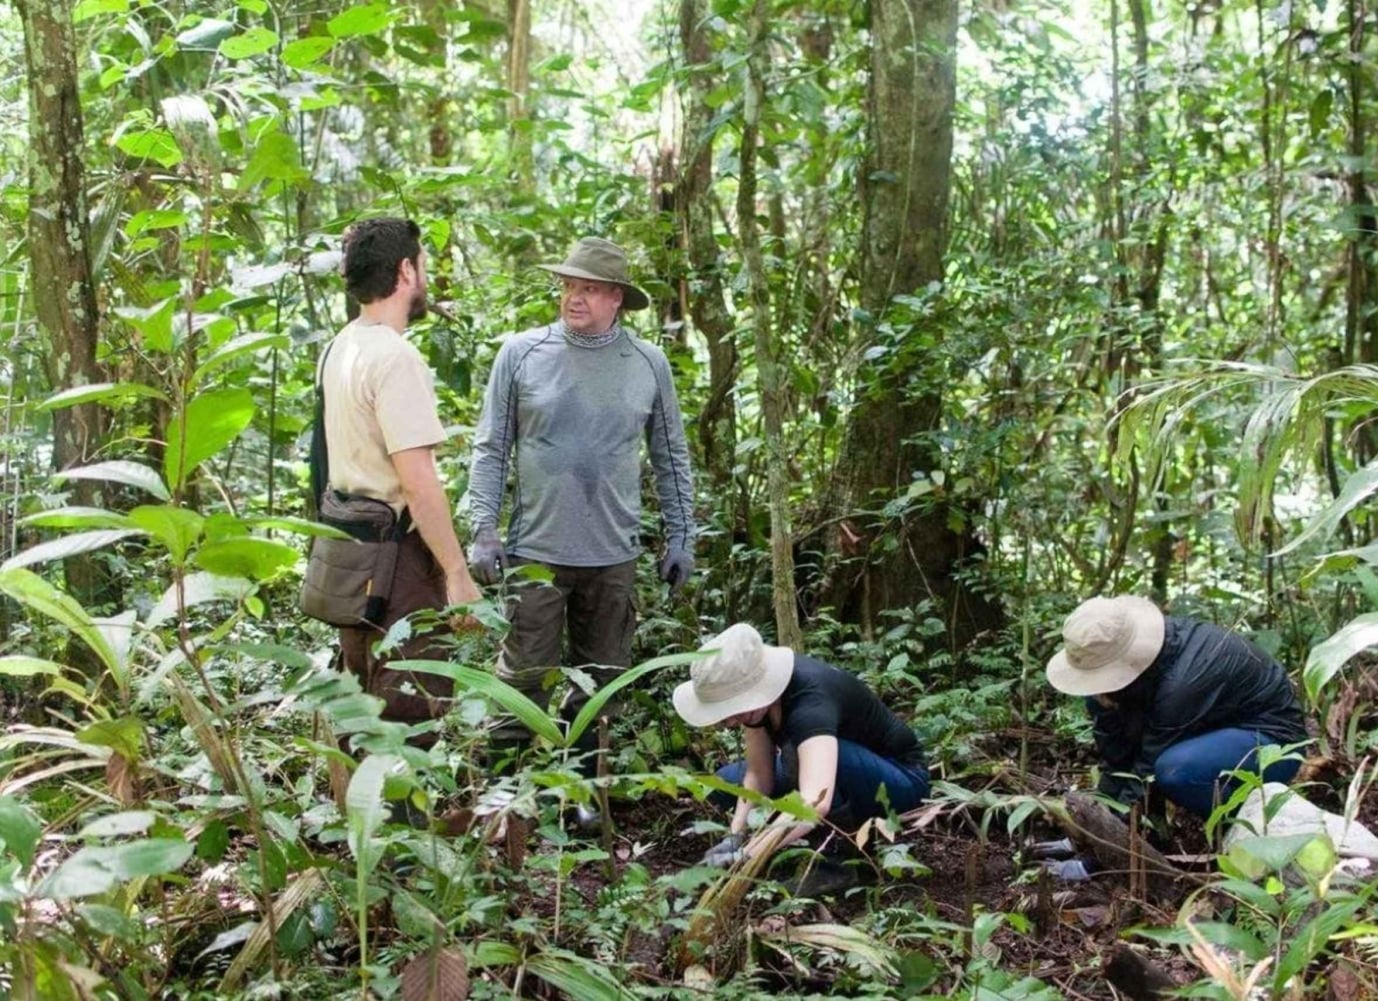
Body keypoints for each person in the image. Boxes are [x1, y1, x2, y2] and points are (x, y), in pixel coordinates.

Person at [467, 237, 695, 728]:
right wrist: (483, 528)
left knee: (603, 684)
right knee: (523, 679)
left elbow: (670, 455)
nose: (575, 297)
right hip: (536, 552)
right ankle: (509, 793)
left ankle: (589, 792)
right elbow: (491, 446)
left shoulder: (647, 362)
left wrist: (682, 536)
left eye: (590, 288)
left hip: (613, 555)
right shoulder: (522, 353)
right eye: (569, 285)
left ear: (617, 298)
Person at [321, 217, 481, 724]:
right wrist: (456, 574)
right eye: (424, 265)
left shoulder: (342, 345)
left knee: (362, 715)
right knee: (411, 714)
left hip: (349, 558)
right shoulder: (395, 358)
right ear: (406, 270)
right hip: (397, 562)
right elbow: (417, 481)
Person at [673, 623, 931, 894]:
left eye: (734, 708)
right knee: (724, 784)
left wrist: (748, 856)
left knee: (800, 760)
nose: (729, 721)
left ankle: (837, 865)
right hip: (835, 771)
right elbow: (759, 775)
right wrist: (735, 837)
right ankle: (786, 834)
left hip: (899, 781)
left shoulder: (810, 705)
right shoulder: (757, 704)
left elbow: (814, 801)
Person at [1046, 595, 1307, 820]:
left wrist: (1108, 842)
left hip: (1272, 742)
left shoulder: (1183, 683)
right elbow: (1116, 758)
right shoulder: (1126, 681)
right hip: (1209, 729)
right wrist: (1096, 816)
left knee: (1175, 770)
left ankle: (1247, 827)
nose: (1099, 690)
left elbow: (1146, 772)